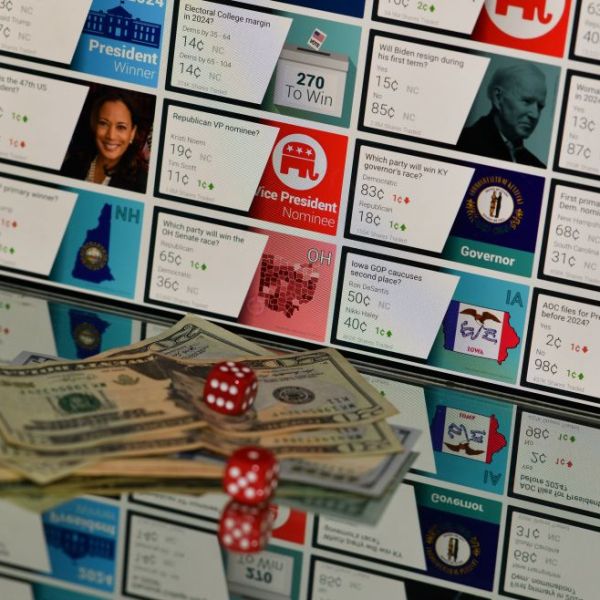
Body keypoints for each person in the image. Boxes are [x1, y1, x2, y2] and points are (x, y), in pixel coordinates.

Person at [457, 64, 547, 167]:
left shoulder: (537, 167)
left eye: (540, 107)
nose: (535, 115)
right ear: (498, 98)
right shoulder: (462, 145)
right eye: (527, 101)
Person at [61, 91, 148, 192]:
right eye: (103, 123)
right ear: (94, 125)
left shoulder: (141, 184)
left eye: (121, 127)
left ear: (132, 133)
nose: (111, 136)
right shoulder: (73, 164)